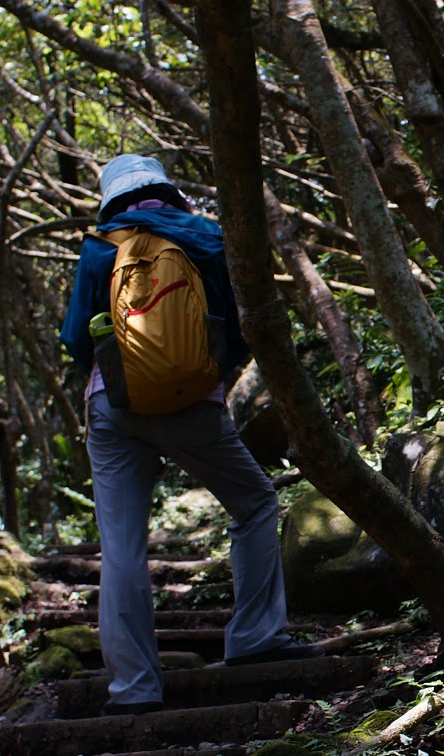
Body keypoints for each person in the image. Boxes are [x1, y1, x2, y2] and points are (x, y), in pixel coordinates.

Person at [61, 154, 320, 715]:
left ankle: (133, 689)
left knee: (121, 547)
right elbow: (241, 322)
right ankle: (254, 637)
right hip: (192, 405)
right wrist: (207, 373)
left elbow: (77, 338)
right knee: (255, 503)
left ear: (112, 200)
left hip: (113, 406)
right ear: (166, 189)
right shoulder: (205, 236)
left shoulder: (100, 247)